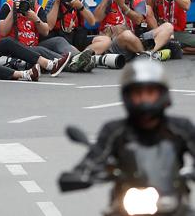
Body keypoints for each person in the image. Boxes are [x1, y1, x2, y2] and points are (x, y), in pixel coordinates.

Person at [64, 60, 195, 214]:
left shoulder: (180, 127)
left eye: (150, 93)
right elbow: (95, 157)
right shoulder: (115, 130)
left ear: (162, 94)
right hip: (125, 202)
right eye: (138, 94)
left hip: (172, 200)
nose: (144, 99)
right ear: (127, 97)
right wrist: (82, 174)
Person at [94, 0, 173, 61]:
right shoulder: (110, 0)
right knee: (127, 34)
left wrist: (123, 6)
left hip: (136, 38)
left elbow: (139, 20)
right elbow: (96, 18)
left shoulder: (138, 1)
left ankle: (150, 53)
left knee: (168, 27)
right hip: (117, 41)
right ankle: (146, 55)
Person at [45, 0, 111, 71]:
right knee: (62, 42)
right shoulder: (53, 0)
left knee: (105, 40)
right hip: (58, 38)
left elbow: (92, 22)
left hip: (75, 38)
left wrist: (80, 7)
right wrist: (57, 2)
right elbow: (49, 26)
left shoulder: (80, 2)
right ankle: (82, 59)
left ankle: (83, 57)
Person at [0, 0, 73, 69]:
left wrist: (36, 19)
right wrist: (13, 11)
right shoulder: (8, 6)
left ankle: (78, 57)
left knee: (59, 40)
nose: (29, 3)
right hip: (15, 49)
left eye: (33, 1)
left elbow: (45, 32)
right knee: (39, 50)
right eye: (26, 0)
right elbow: (3, 32)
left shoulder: (38, 9)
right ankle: (71, 64)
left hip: (33, 45)